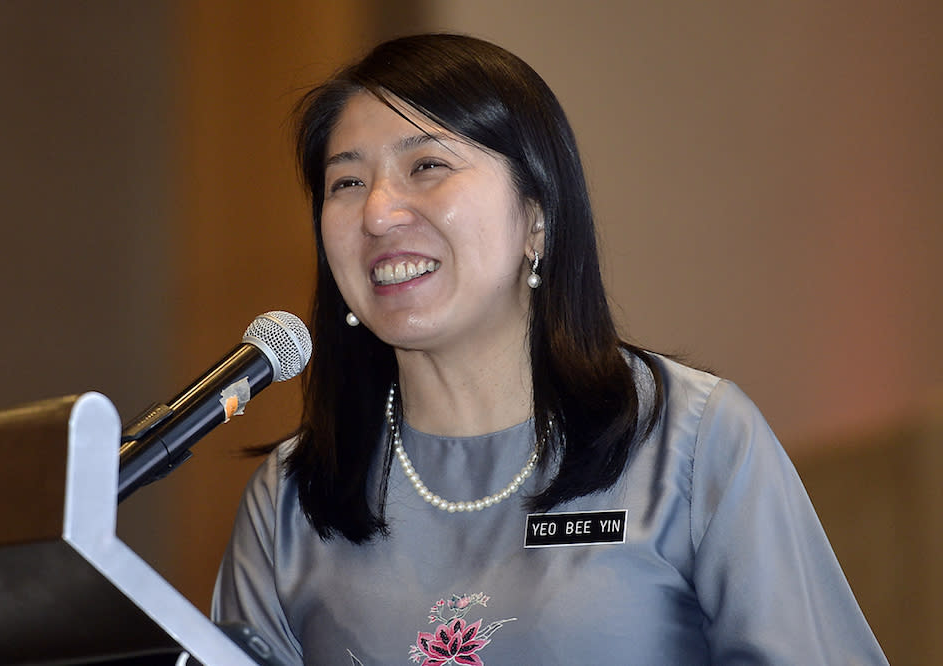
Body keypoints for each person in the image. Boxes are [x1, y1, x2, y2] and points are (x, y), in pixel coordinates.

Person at [212, 33, 887, 665]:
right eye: (347, 183)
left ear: (535, 216)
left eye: (427, 166)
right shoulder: (290, 504)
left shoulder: (690, 442)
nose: (379, 213)